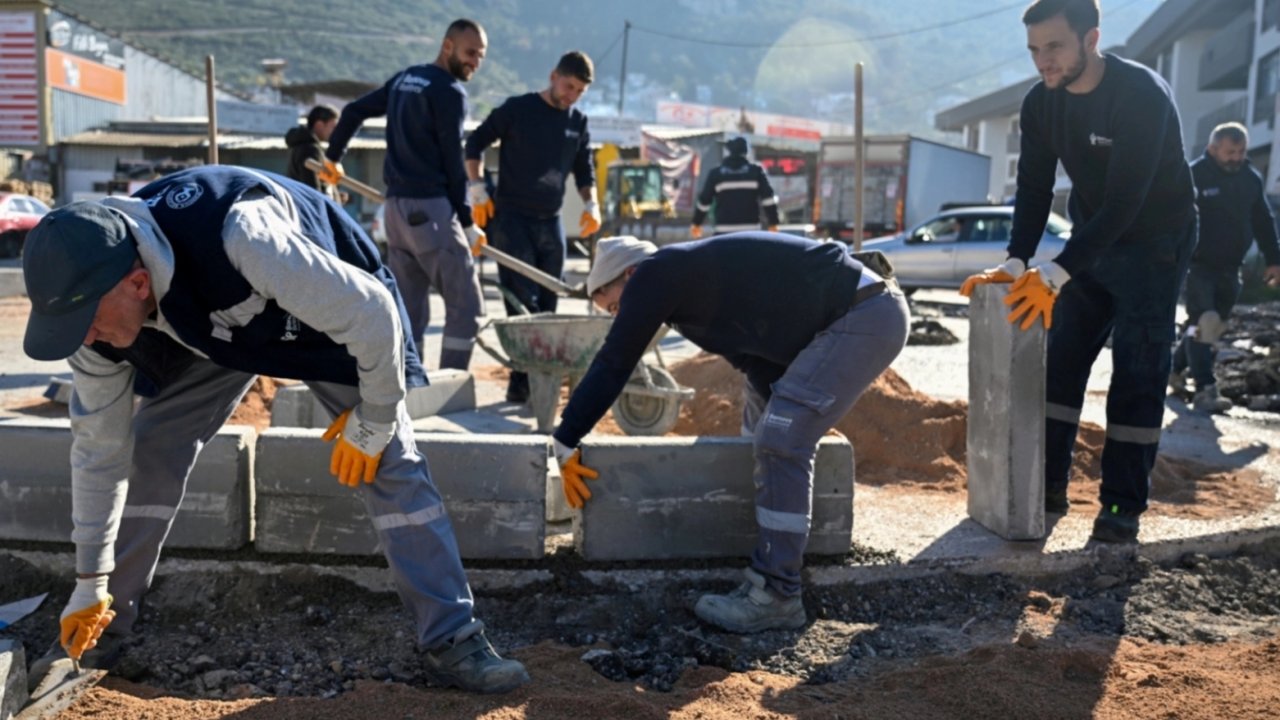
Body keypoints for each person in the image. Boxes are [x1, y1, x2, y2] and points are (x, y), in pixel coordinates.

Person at [21, 165, 528, 694]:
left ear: (137, 282)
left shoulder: (241, 235)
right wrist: (88, 581)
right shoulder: (92, 324)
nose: (86, 337)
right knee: (149, 449)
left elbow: (374, 315)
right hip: (215, 326)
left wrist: (374, 420)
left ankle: (455, 640)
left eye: (89, 323)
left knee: (389, 461)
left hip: (325, 318)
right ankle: (100, 630)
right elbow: (98, 452)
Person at [552, 234, 909, 633]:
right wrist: (780, 413)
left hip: (864, 315)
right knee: (764, 419)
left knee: (780, 441)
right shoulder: (685, 295)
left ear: (630, 274)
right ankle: (761, 567)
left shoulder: (657, 272)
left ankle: (777, 593)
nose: (621, 316)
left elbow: (615, 360)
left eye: (616, 305)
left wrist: (566, 437)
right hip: (851, 317)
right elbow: (755, 359)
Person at [960, 0, 1196, 544]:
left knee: (1138, 369)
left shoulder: (1140, 95)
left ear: (1091, 39)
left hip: (1157, 240)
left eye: (1054, 47)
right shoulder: (1041, 105)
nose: (1042, 62)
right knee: (1061, 363)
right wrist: (1017, 262)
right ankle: (1046, 488)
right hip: (1093, 236)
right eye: (1034, 51)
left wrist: (1058, 271)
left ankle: (1120, 506)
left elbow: (1126, 201)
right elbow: (1035, 188)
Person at [321, 19, 489, 371]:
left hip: (395, 213)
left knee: (408, 308)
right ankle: (450, 381)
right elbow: (453, 164)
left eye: (481, 56)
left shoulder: (405, 80)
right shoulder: (449, 91)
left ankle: (407, 381)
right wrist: (468, 222)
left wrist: (333, 157)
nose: (475, 61)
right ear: (447, 46)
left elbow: (353, 111)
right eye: (470, 52)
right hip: (430, 213)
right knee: (466, 305)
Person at [464, 50, 600, 403]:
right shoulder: (518, 109)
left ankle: (544, 376)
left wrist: (592, 202)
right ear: (554, 75)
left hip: (550, 220)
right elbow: (475, 142)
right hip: (511, 219)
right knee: (521, 303)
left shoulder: (578, 122)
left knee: (549, 302)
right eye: (568, 86)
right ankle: (521, 380)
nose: (571, 95)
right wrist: (477, 188)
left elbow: (584, 169)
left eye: (579, 92)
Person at [1170, 122, 1280, 413]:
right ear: (1212, 149)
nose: (1237, 157)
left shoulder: (1250, 179)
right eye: (1230, 152)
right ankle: (1205, 388)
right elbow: (1172, 219)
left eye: (1241, 152)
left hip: (1232, 269)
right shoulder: (1194, 175)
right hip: (1198, 266)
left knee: (1209, 327)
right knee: (1204, 322)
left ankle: (1173, 368)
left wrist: (1274, 260)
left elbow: (1263, 221)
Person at [689, 136, 779, 239]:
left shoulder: (717, 173)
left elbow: (704, 201)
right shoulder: (756, 172)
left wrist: (697, 223)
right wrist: (773, 222)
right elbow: (768, 199)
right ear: (745, 153)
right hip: (750, 232)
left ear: (729, 152)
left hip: (723, 233)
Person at [284, 104, 339, 199]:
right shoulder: (309, 149)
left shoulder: (301, 145)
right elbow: (312, 191)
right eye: (333, 127)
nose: (335, 132)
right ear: (319, 125)